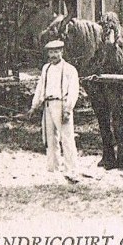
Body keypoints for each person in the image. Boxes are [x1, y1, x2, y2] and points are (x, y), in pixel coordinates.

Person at [29, 39, 82, 183]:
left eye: (56, 52)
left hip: (61, 104)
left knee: (67, 138)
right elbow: (40, 88)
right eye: (51, 52)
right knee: (49, 138)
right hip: (47, 105)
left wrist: (67, 109)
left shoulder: (70, 69)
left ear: (62, 52)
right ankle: (53, 169)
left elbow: (73, 91)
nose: (53, 55)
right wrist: (34, 106)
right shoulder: (45, 68)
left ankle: (72, 170)